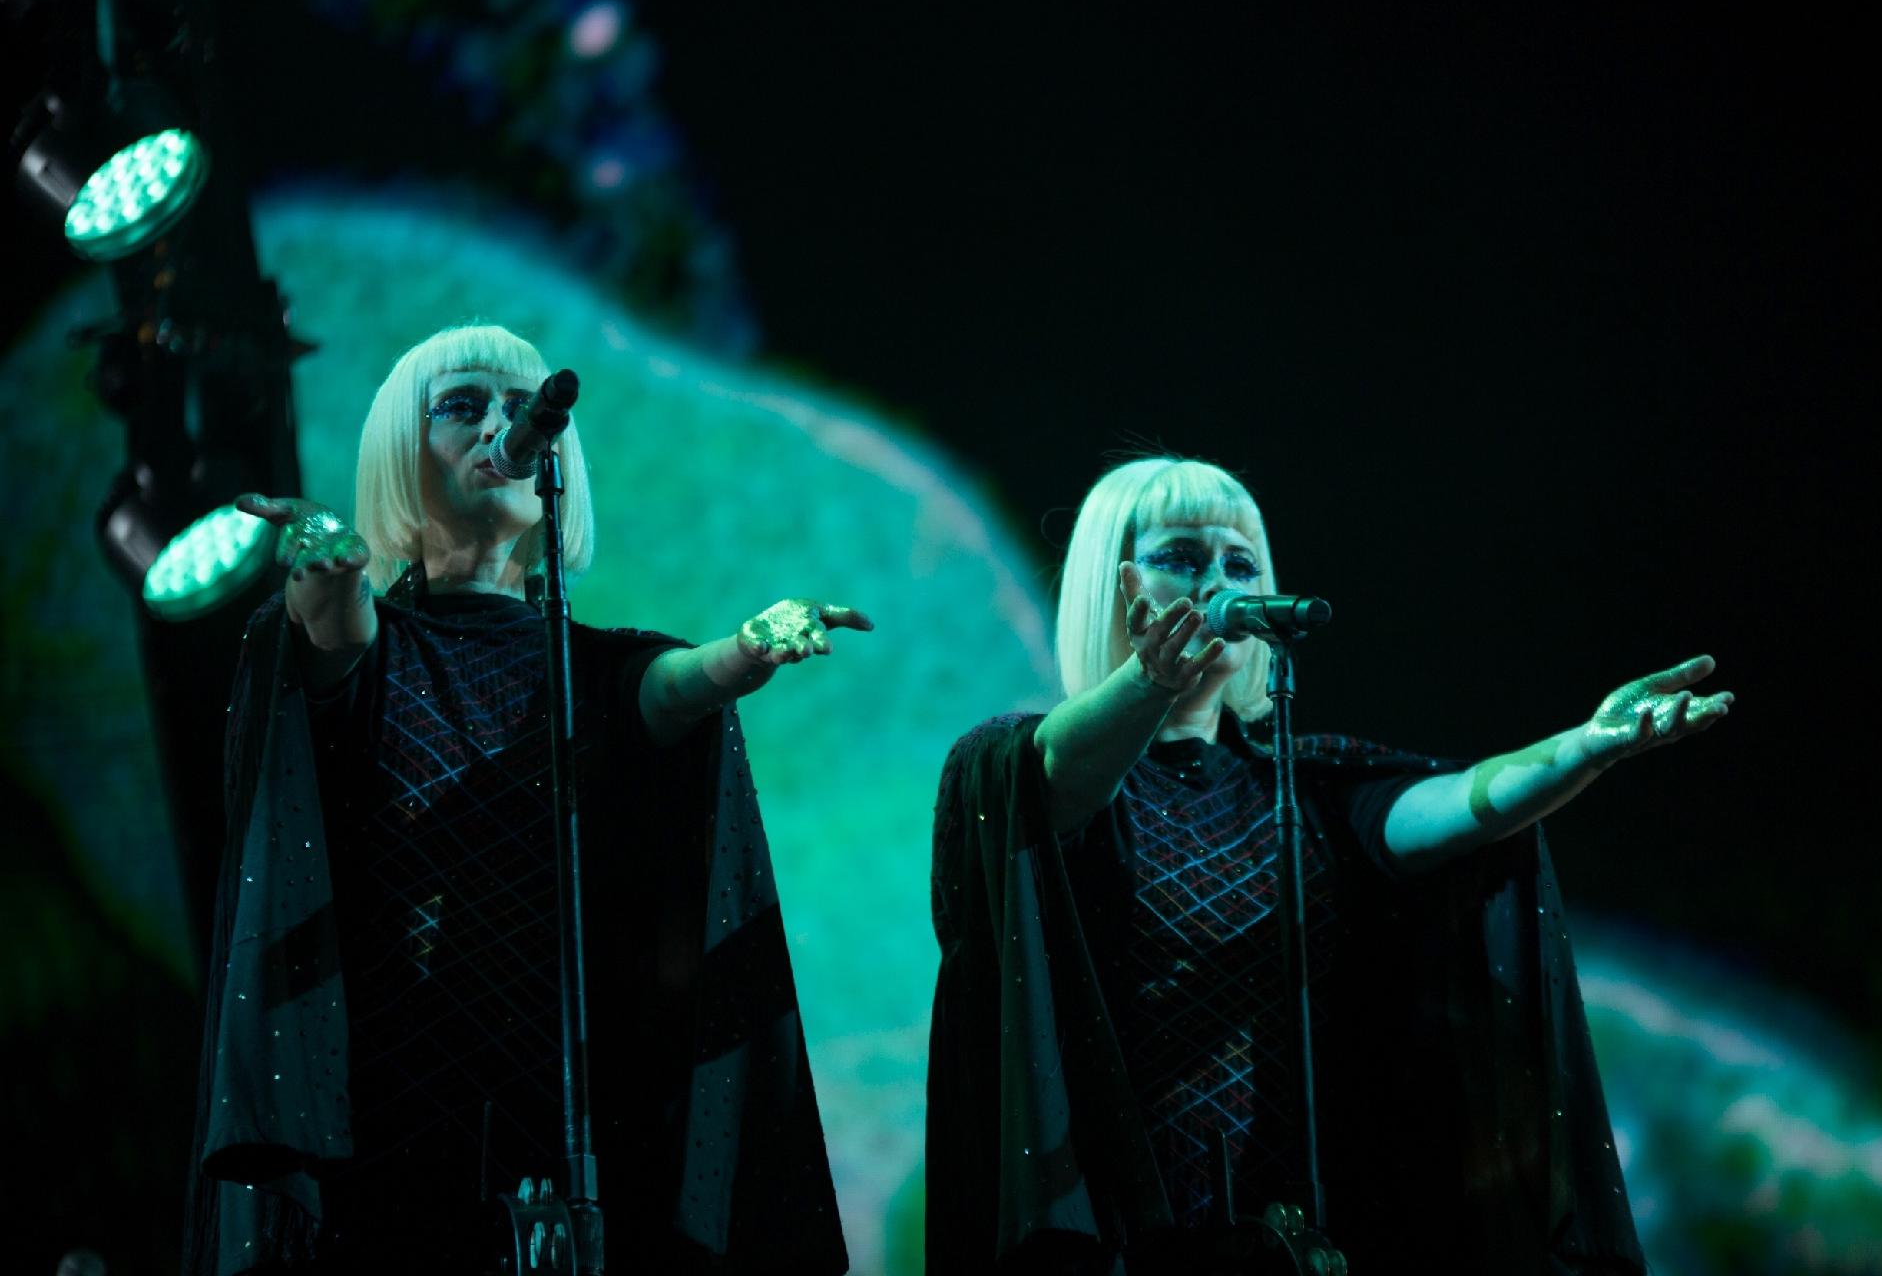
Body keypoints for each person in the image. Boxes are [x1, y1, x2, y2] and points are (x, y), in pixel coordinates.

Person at [926, 456, 1731, 1275]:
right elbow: (1050, 778)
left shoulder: (1307, 787)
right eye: (1182, 557)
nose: (1218, 584)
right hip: (1117, 1223)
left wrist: (1588, 745)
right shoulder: (1013, 768)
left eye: (1241, 564)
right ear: (1114, 581)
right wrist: (1148, 682)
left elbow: (1463, 806)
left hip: (1294, 1225)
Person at [183, 324, 862, 1274]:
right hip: (398, 1118)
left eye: (516, 407)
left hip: (572, 1109)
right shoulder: (375, 645)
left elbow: (670, 688)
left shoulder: (597, 669)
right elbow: (335, 638)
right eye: (461, 406)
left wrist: (746, 653)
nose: (500, 426)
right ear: (400, 452)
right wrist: (328, 572)